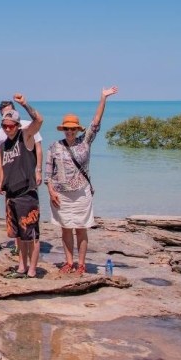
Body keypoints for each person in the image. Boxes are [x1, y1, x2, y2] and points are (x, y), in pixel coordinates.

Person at [46, 86, 118, 275]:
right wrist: (51, 192)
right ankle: (68, 262)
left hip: (81, 193)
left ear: (77, 129)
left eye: (72, 129)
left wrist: (103, 97)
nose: (69, 132)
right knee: (66, 229)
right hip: (60, 194)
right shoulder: (54, 146)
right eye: (67, 129)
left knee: (81, 228)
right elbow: (48, 173)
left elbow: (95, 122)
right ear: (63, 129)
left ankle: (81, 264)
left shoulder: (85, 141)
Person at [0, 94, 44, 279]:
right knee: (18, 234)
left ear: (17, 125)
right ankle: (22, 266)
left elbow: (39, 120)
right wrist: (1, 183)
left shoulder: (25, 136)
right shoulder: (3, 145)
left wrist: (25, 104)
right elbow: (2, 165)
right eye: (4, 126)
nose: (8, 129)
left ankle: (32, 270)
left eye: (11, 126)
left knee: (31, 234)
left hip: (27, 192)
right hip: (11, 194)